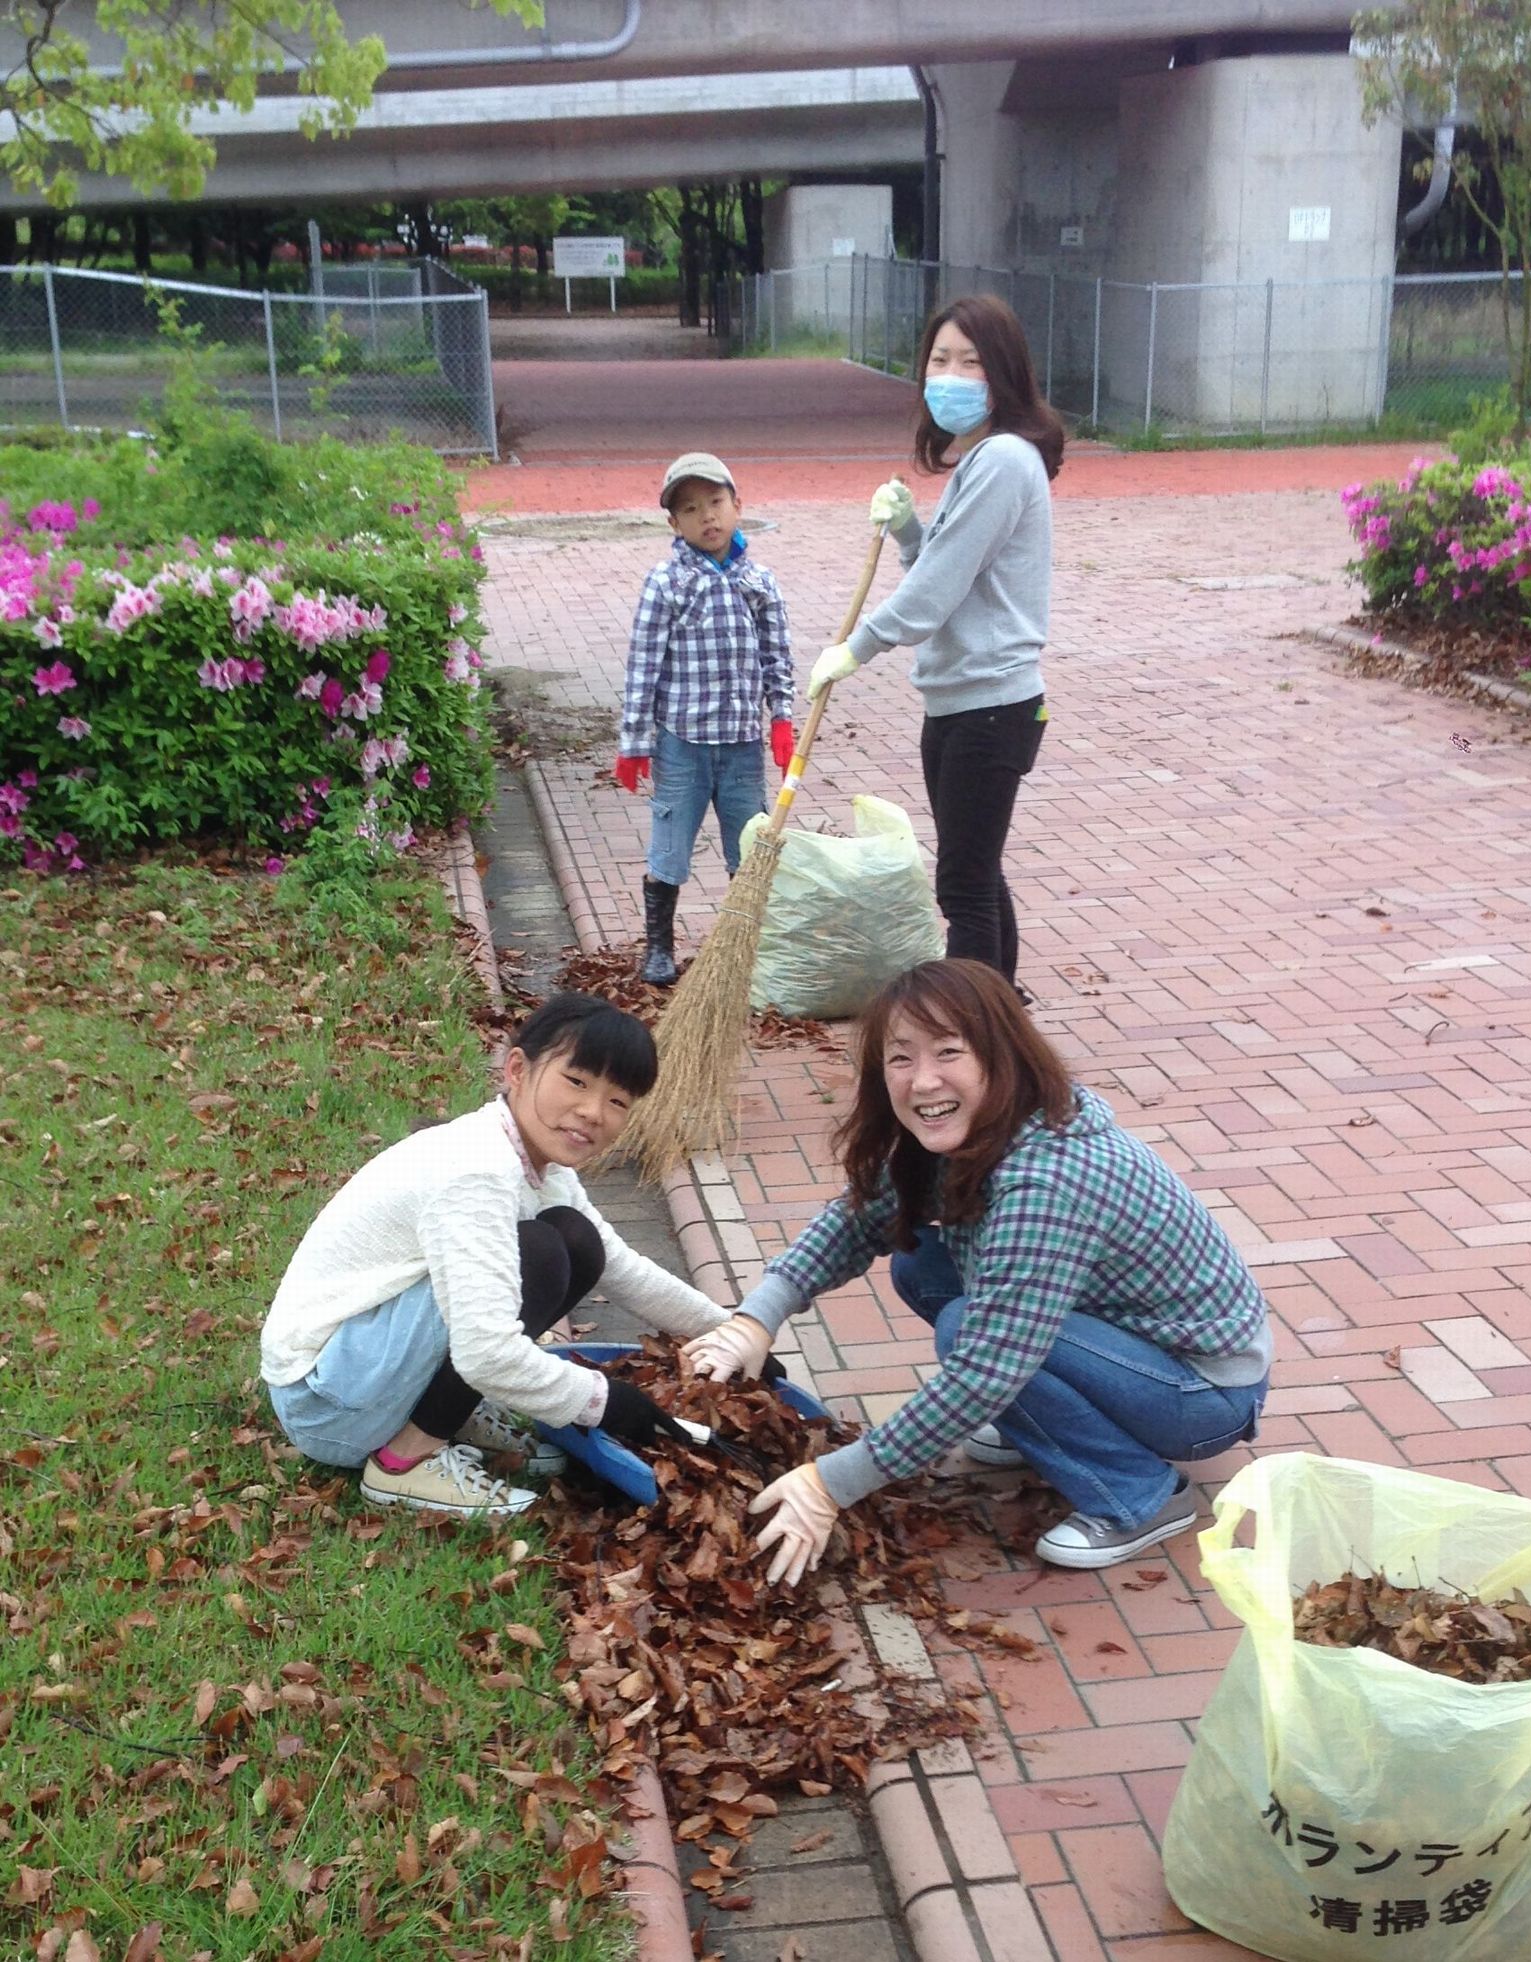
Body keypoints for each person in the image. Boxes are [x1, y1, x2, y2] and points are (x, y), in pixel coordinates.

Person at [685, 959, 1272, 1580]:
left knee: (971, 1331)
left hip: (1202, 1392)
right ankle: (1045, 1429)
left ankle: (1141, 1496)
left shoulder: (1044, 1181)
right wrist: (755, 1319)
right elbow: (858, 1220)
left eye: (948, 1052)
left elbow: (987, 1370)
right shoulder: (986, 1126)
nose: (922, 1081)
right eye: (901, 1057)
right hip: (1124, 1346)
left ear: (1003, 1055)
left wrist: (831, 1483)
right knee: (921, 1265)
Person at [261, 993, 729, 1518]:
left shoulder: (538, 1166)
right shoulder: (477, 1170)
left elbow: (621, 1269)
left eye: (618, 1101)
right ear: (517, 1070)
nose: (593, 1112)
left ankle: (443, 1414)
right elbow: (487, 1354)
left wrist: (733, 1333)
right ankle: (403, 1463)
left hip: (362, 1372)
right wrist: (604, 1401)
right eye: (576, 1081)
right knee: (542, 1254)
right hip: (327, 1407)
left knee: (576, 1239)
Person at [804, 295, 1062, 990]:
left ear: (1003, 373)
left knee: (964, 888)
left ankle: (976, 1036)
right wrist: (910, 532)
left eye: (971, 362)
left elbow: (934, 596)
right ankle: (1000, 1010)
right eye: (940, 360)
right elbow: (949, 572)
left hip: (990, 706)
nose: (950, 374)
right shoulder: (980, 460)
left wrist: (857, 646)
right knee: (975, 868)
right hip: (959, 702)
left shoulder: (1005, 459)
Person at [614, 451, 795, 987]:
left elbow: (776, 654)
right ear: (675, 523)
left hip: (742, 746)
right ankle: (659, 948)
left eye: (716, 503)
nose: (707, 517)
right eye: (691, 510)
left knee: (749, 848)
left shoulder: (758, 582)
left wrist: (782, 715)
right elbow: (643, 664)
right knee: (670, 844)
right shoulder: (668, 583)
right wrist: (634, 742)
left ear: (738, 505)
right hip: (683, 747)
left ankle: (745, 948)